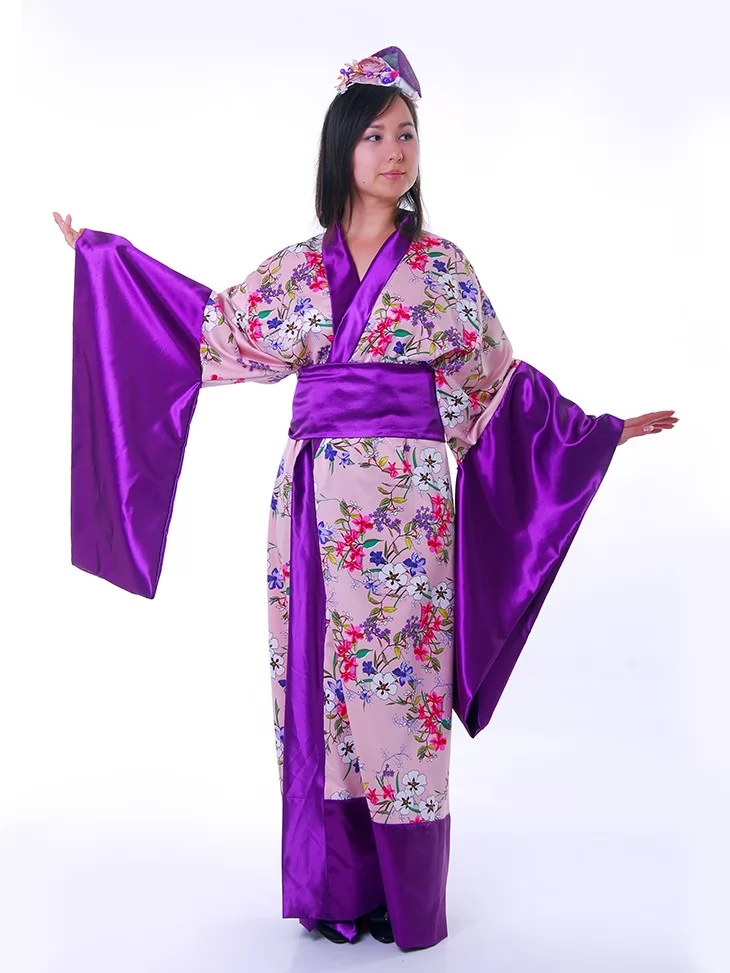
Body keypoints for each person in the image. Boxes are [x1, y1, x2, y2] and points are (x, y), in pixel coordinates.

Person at [54, 46, 677, 952]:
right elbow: (208, 330)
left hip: (410, 518)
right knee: (322, 692)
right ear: (342, 147)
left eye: (408, 134)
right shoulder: (297, 271)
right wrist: (104, 265)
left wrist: (596, 433)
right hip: (313, 511)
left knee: (401, 697)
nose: (395, 152)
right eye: (376, 134)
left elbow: (495, 389)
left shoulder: (445, 269)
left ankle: (405, 897)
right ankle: (336, 891)